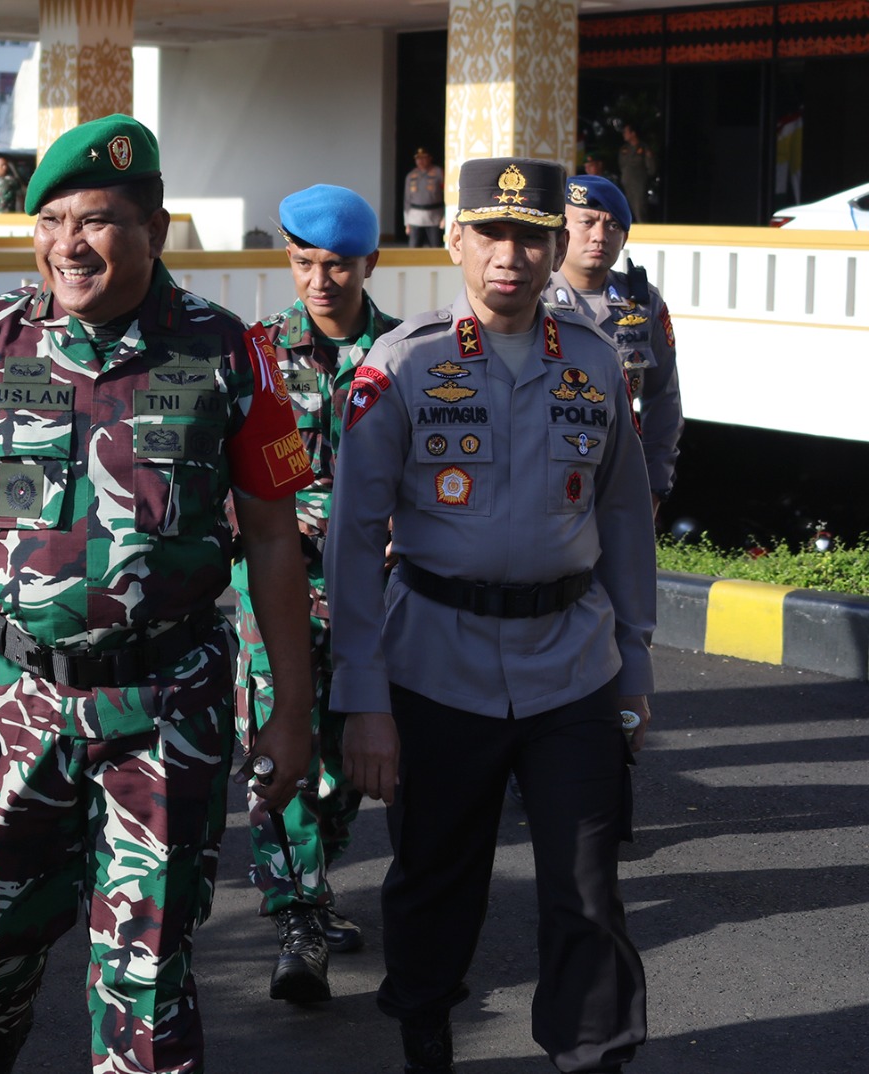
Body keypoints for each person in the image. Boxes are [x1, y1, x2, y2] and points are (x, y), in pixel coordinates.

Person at [0, 114, 317, 1074]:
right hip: (12, 702)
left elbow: (273, 541)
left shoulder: (228, 352)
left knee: (149, 974)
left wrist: (292, 711)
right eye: (51, 221)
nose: (68, 245)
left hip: (167, 707)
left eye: (96, 221)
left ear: (154, 228)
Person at [328, 157, 655, 1074]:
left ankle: (593, 1053)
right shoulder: (403, 363)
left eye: (531, 237)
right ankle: (426, 1030)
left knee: (587, 887)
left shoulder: (594, 359)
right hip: (437, 664)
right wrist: (363, 699)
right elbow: (353, 538)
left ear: (555, 247)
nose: (510, 254)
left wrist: (635, 663)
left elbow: (624, 516)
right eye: (491, 233)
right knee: (436, 877)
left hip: (573, 666)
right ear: (454, 240)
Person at [235, 183, 401, 1003]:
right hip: (279, 587)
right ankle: (297, 917)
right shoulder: (256, 353)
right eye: (304, 262)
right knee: (280, 744)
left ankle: (315, 883)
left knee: (346, 763)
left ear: (370, 263)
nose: (320, 280)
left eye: (337, 264)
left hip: (374, 592)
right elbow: (226, 469)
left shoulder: (406, 355)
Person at [545, 174, 682, 517]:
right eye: (587, 222)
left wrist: (654, 485)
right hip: (542, 474)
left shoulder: (643, 304)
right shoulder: (532, 297)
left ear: (624, 238)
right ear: (562, 230)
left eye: (613, 226)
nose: (600, 236)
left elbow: (663, 400)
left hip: (618, 477)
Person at [403, 148, 446, 248]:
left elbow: (446, 195)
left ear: (430, 158)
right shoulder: (411, 175)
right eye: (418, 158)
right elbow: (407, 200)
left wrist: (445, 217)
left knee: (436, 247)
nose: (420, 161)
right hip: (415, 217)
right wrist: (407, 222)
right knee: (414, 248)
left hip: (435, 216)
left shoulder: (438, 173)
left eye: (424, 158)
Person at [617, 124, 656, 224]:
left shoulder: (644, 148)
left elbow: (651, 168)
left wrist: (643, 179)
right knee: (626, 213)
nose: (624, 134)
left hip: (639, 186)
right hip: (626, 185)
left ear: (633, 133)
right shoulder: (624, 149)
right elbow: (621, 166)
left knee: (640, 212)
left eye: (626, 132)